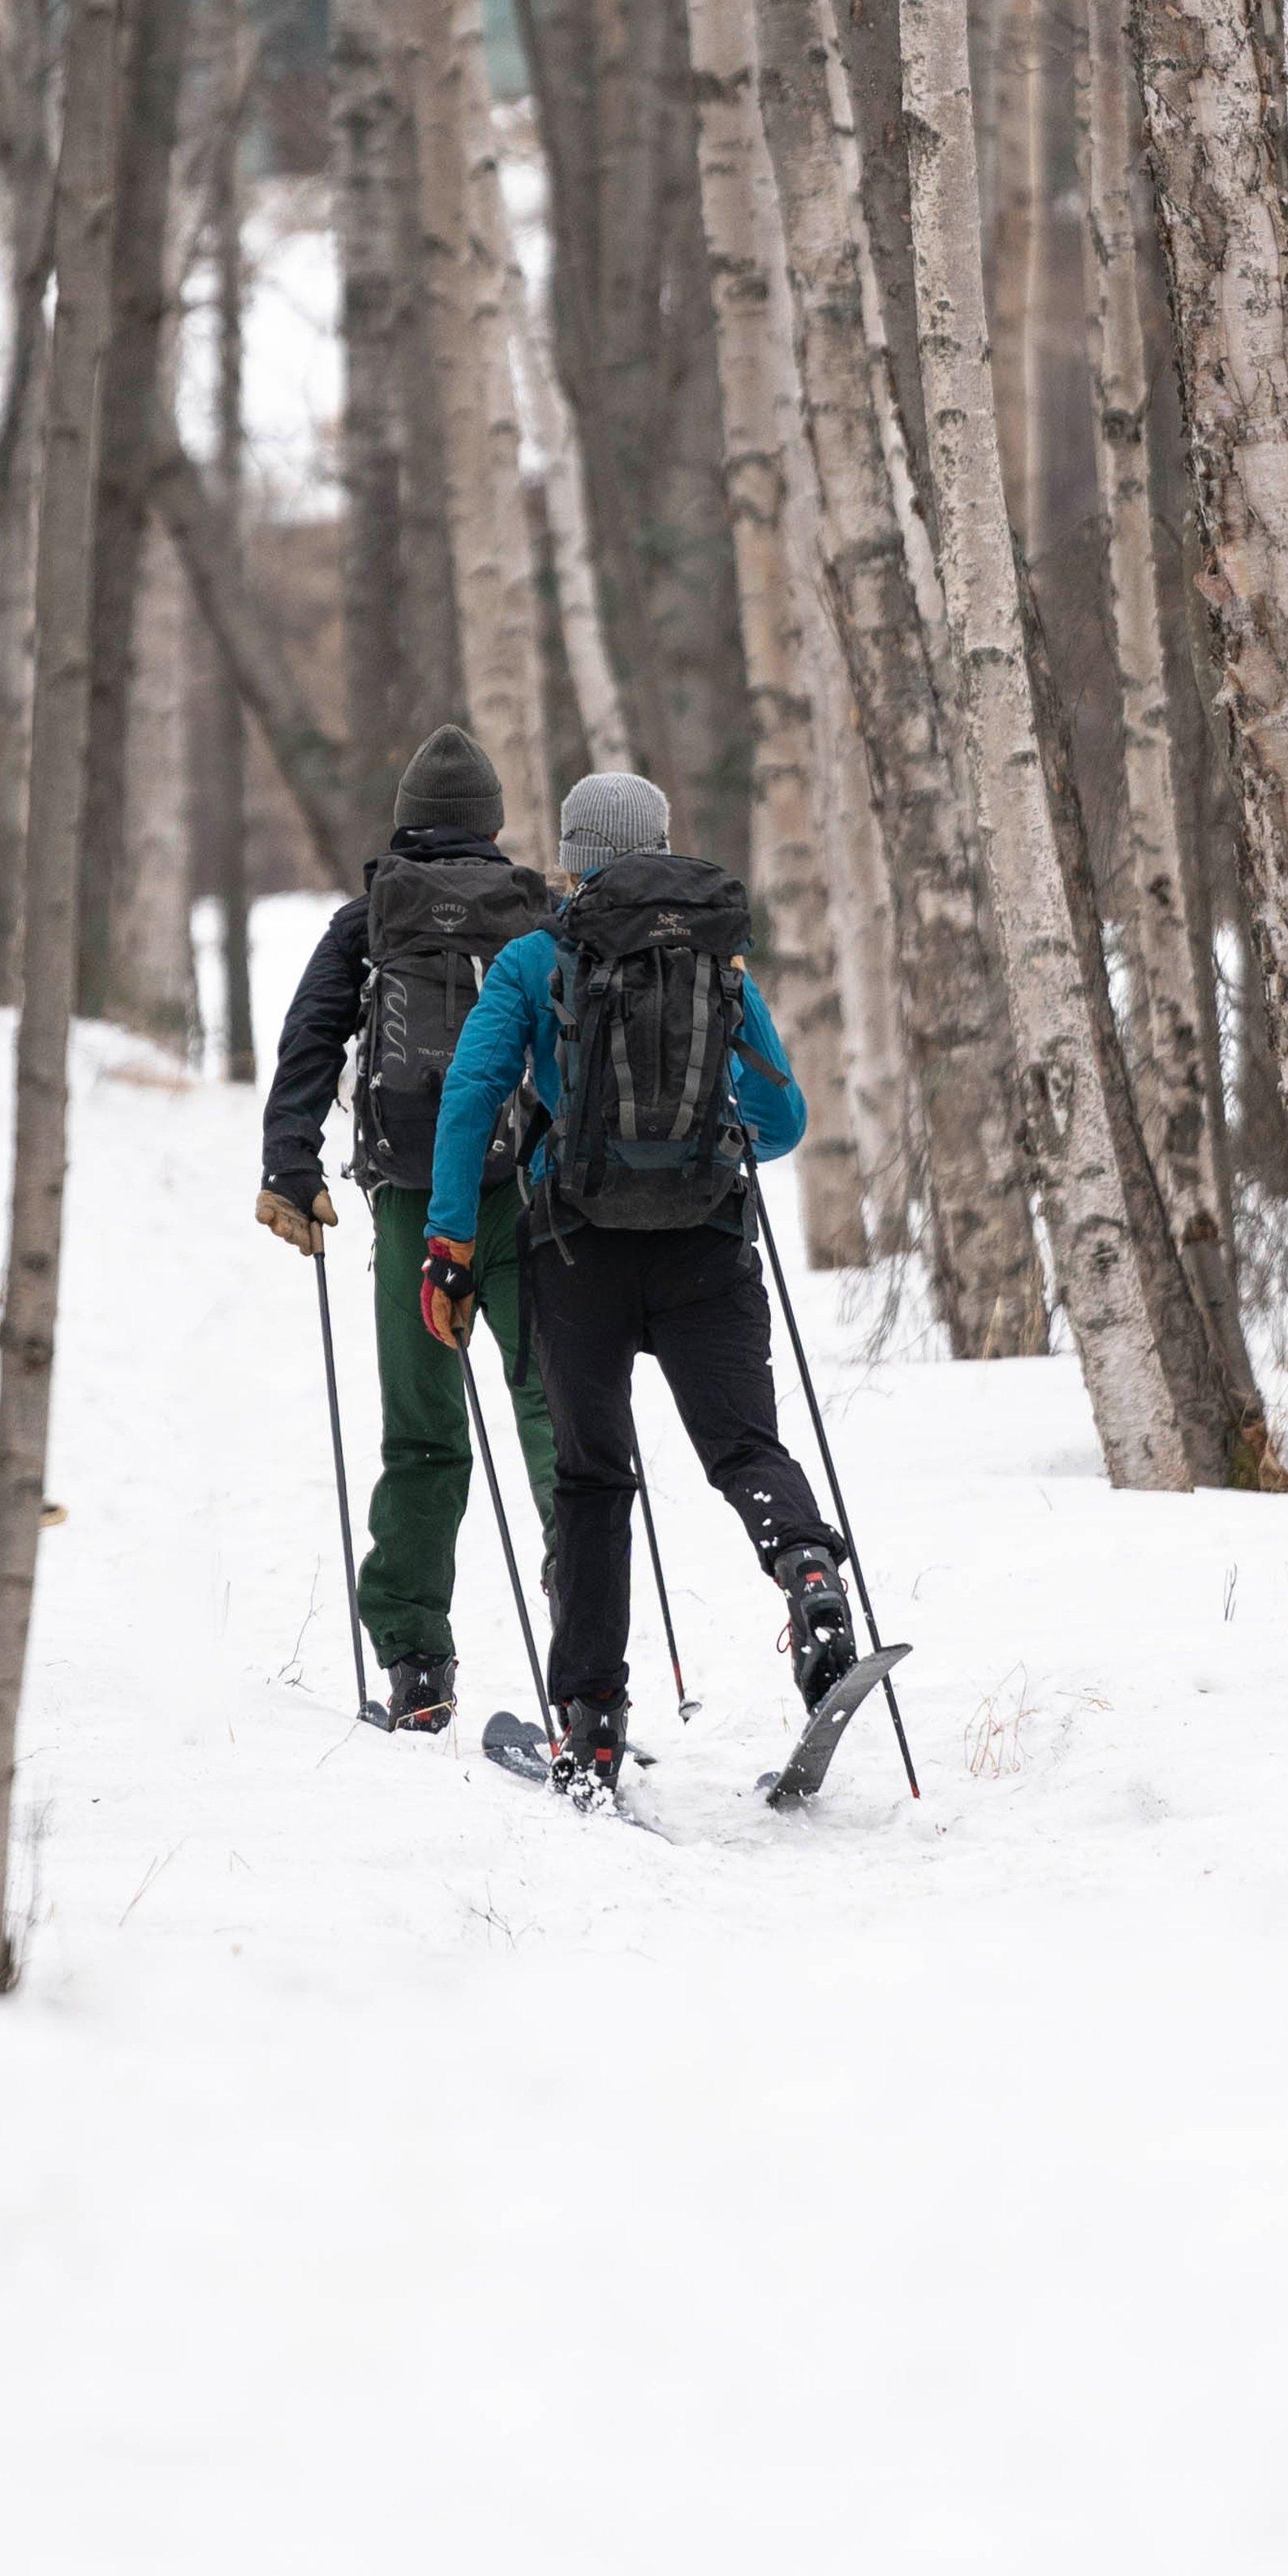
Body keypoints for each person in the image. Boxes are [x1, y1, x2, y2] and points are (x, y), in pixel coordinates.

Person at [419, 769, 854, 1807]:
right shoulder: (715, 964)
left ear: (571, 856)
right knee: (745, 1446)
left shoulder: (532, 960)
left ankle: (592, 1723)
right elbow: (785, 1121)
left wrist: (449, 1236)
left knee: (591, 1482)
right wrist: (712, 1136)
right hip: (706, 1245)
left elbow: (472, 1092)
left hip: (577, 1254)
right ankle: (804, 1567)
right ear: (660, 843)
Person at [256, 724, 561, 1730]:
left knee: (423, 1431)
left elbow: (310, 1038)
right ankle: (583, 1628)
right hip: (523, 1195)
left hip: (408, 1198)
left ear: (404, 820)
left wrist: (289, 1166)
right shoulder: (536, 915)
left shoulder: (369, 916)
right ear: (490, 824)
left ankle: (415, 1665)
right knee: (548, 1407)